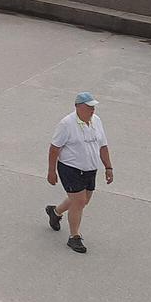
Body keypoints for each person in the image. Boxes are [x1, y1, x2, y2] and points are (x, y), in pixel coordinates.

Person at [45, 92, 112, 253]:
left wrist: (108, 167)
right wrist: (51, 171)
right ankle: (74, 237)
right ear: (78, 107)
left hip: (90, 168)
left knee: (83, 200)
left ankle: (55, 212)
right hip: (70, 169)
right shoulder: (66, 124)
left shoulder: (96, 121)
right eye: (89, 107)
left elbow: (103, 146)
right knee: (78, 202)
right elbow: (55, 148)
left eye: (93, 107)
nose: (92, 110)